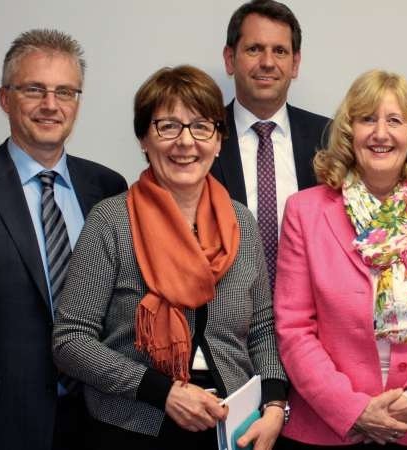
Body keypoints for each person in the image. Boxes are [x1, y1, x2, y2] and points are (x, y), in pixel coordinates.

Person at [52, 65, 287, 450]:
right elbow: (70, 340)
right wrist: (162, 391)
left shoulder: (241, 223)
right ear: (144, 139)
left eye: (201, 127)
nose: (185, 142)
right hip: (132, 424)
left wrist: (276, 406)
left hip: (232, 426)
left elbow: (262, 329)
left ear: (218, 140)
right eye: (168, 126)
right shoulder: (111, 221)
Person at [273, 70, 407, 449]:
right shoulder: (305, 211)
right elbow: (294, 328)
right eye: (367, 119)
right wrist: (352, 409)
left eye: (395, 121)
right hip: (329, 427)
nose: (381, 133)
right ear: (349, 131)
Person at [0, 29, 126, 450]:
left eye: (65, 92)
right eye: (34, 89)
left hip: (96, 418)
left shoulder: (108, 187)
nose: (50, 105)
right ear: (5, 98)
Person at [212, 0, 330, 290]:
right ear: (230, 59)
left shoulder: (331, 137)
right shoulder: (200, 139)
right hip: (226, 309)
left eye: (280, 51)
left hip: (312, 309)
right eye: (254, 49)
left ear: (295, 63)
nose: (267, 62)